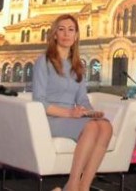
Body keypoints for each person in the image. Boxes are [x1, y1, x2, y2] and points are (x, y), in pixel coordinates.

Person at [33, 14, 112, 191]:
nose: (66, 34)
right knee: (91, 127)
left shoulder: (77, 65)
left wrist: (91, 113)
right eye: (61, 29)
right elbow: (39, 101)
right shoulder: (44, 61)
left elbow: (82, 99)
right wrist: (70, 113)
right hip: (50, 118)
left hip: (72, 118)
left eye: (71, 30)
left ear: (76, 36)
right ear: (55, 34)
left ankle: (84, 186)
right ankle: (73, 184)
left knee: (105, 126)